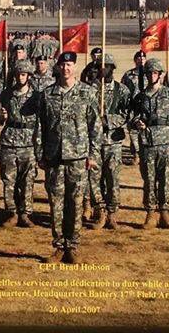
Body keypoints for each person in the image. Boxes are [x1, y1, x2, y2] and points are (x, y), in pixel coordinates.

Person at [38, 52, 101, 264]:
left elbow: (95, 126)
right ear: (58, 67)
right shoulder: (48, 94)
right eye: (63, 64)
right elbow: (41, 127)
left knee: (75, 203)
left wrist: (93, 155)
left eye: (70, 64)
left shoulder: (87, 92)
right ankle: (58, 246)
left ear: (75, 67)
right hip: (55, 156)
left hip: (78, 157)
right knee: (56, 203)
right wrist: (41, 154)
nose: (66, 68)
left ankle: (72, 246)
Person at [130, 58, 169, 229]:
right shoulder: (140, 97)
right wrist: (137, 122)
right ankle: (150, 213)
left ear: (160, 74)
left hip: (165, 141)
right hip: (147, 142)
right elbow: (133, 117)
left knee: (165, 179)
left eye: (155, 73)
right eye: (149, 73)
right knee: (149, 180)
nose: (152, 76)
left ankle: (164, 212)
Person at [0, 60, 41, 228]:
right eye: (18, 74)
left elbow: (43, 120)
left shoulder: (37, 96)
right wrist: (1, 116)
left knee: (28, 180)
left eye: (23, 74)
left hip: (29, 142)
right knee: (8, 179)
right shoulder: (6, 94)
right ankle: (11, 212)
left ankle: (26, 213)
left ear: (28, 76)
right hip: (9, 141)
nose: (20, 78)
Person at [85, 53, 130, 230]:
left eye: (104, 66)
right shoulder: (89, 90)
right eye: (97, 66)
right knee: (94, 178)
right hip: (95, 142)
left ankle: (112, 213)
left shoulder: (122, 90)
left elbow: (127, 115)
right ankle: (100, 210)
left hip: (113, 142)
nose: (99, 70)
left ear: (111, 68)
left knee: (112, 178)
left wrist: (108, 120)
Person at [121, 50, 147, 165]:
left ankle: (145, 153)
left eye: (143, 58)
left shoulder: (150, 73)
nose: (141, 60)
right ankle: (136, 155)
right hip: (133, 106)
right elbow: (123, 90)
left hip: (146, 107)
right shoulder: (128, 75)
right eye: (139, 58)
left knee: (145, 130)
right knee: (133, 131)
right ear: (135, 60)